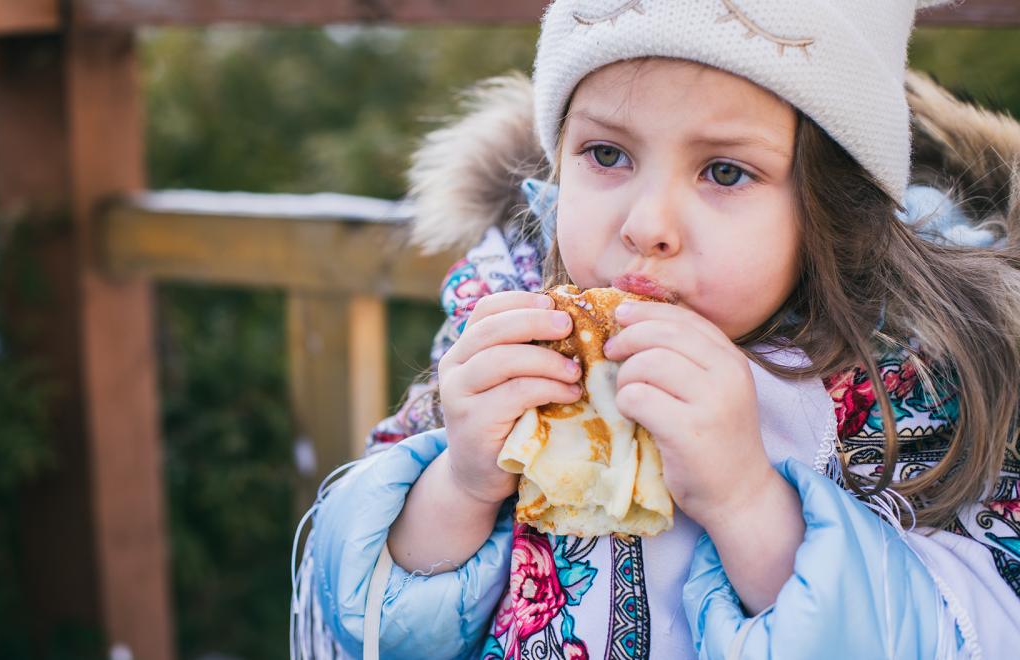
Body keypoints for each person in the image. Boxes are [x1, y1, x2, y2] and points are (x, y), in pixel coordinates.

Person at [292, 1, 1020, 657]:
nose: (647, 227)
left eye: (726, 173)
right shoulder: (510, 319)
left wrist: (746, 503)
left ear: (832, 208)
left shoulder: (920, 385)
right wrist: (458, 482)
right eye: (607, 155)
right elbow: (363, 614)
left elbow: (964, 634)